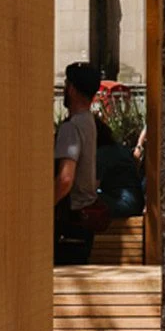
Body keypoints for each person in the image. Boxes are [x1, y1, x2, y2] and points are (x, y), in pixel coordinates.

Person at [53, 61, 106, 266]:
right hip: (84, 220)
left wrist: (44, 208)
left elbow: (66, 178)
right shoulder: (89, 122)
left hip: (69, 219)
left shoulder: (71, 127)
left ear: (72, 89)